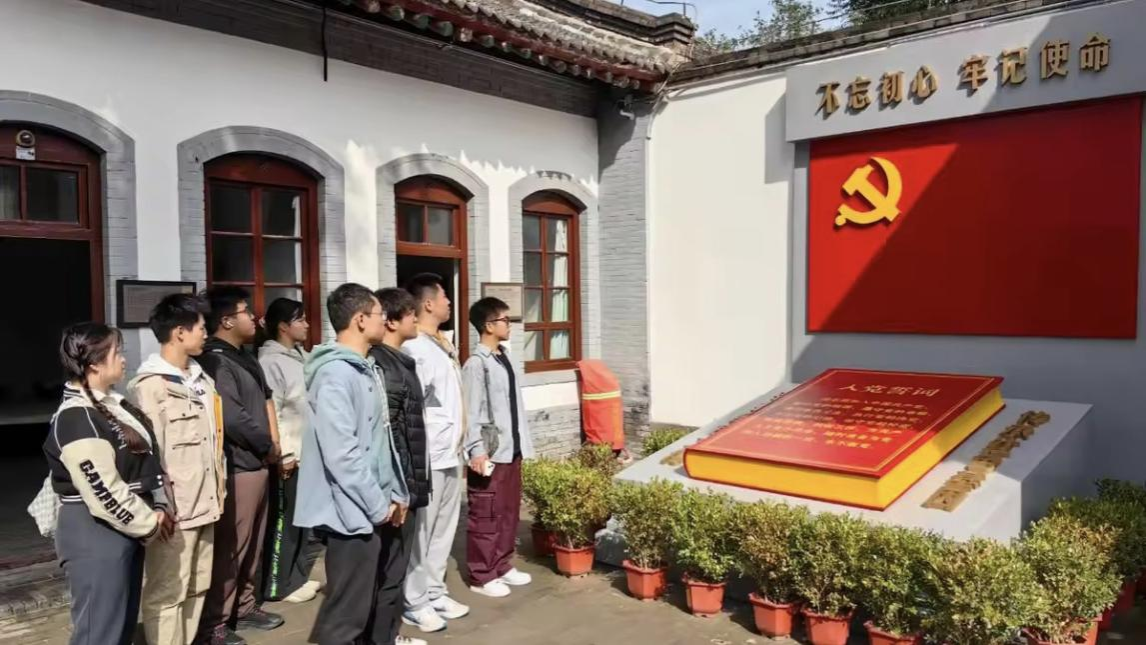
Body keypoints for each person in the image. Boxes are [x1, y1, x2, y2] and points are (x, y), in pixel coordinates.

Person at [294, 283, 424, 645]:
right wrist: (377, 505)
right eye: (380, 314)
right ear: (360, 319)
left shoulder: (367, 368)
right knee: (346, 616)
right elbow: (343, 455)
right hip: (350, 512)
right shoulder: (335, 374)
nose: (385, 321)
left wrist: (396, 492)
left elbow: (382, 441)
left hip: (374, 506)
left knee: (365, 604)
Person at [45, 322, 174, 645]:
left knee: (120, 627)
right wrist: (149, 523)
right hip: (96, 534)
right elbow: (104, 492)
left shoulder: (112, 404)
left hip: (123, 531)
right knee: (99, 632)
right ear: (94, 364)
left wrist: (158, 504)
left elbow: (146, 461)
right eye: (118, 353)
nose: (124, 359)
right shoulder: (77, 418)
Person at [128, 294, 226, 645]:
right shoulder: (150, 387)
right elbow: (147, 457)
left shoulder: (201, 379)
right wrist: (161, 504)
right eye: (201, 327)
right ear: (180, 332)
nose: (206, 333)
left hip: (207, 504)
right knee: (168, 592)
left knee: (197, 585)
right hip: (175, 512)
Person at [198, 287, 283, 645]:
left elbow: (265, 401)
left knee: (253, 544)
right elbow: (232, 417)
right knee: (231, 548)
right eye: (246, 311)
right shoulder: (216, 361)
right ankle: (215, 622)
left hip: (258, 462)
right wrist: (266, 445)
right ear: (227, 320)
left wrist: (273, 445)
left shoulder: (244, 357)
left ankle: (245, 607)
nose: (254, 318)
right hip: (239, 466)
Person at [400, 274, 469, 631]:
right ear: (428, 303)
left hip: (451, 451)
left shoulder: (442, 343)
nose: (449, 302)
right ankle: (414, 601)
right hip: (429, 453)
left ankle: (434, 590)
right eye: (444, 297)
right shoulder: (414, 347)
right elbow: (416, 402)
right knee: (422, 533)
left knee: (444, 528)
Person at [367, 288, 435, 633]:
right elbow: (391, 435)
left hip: (408, 479)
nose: (416, 320)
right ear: (392, 322)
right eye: (410, 314)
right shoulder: (384, 366)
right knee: (389, 569)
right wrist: (401, 488)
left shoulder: (400, 361)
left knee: (395, 565)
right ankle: (383, 636)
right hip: (399, 485)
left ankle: (387, 634)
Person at [462, 297, 535, 598]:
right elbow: (470, 412)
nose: (510, 325)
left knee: (508, 512)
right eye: (506, 320)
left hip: (511, 448)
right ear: (489, 325)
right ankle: (482, 574)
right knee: (486, 514)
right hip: (490, 452)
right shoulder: (476, 364)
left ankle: (502, 564)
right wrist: (476, 450)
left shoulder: (505, 358)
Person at [256, 298, 322, 604]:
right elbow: (274, 411)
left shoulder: (300, 356)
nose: (307, 325)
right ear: (284, 326)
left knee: (302, 522)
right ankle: (278, 585)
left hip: (307, 454)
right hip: (289, 456)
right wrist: (282, 453)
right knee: (284, 523)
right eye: (301, 320)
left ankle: (296, 578)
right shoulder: (271, 361)